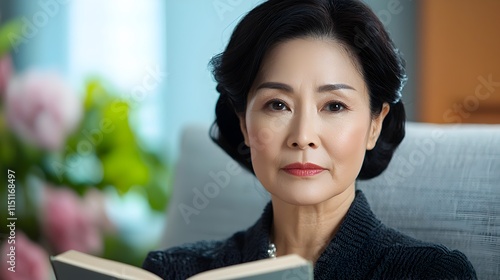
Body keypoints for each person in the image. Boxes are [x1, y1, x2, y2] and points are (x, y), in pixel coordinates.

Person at [143, 0, 477, 279]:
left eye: (334, 106)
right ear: (244, 123)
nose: (303, 137)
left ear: (375, 124)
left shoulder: (432, 272)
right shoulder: (174, 271)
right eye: (277, 105)